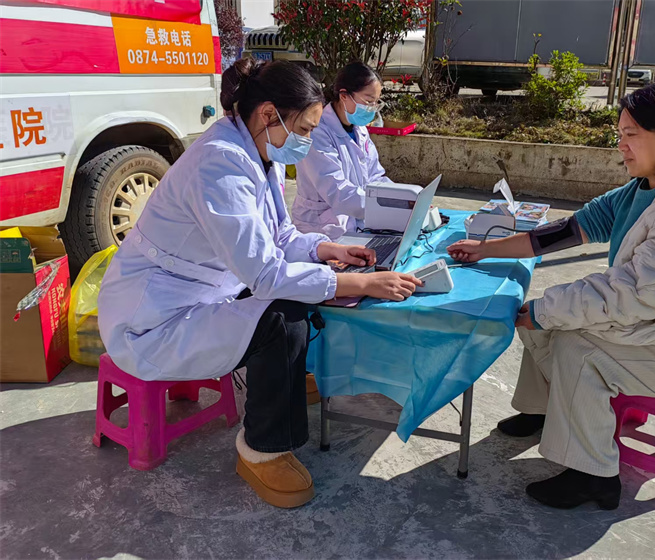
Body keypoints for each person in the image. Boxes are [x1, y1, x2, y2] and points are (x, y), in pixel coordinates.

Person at [98, 59, 422, 509]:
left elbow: (280, 235)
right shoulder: (219, 164)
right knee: (281, 319)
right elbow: (265, 274)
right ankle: (262, 450)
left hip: (201, 289)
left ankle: (286, 383)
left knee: (297, 298)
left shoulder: (256, 150)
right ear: (269, 114)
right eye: (304, 130)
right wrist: (356, 284)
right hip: (152, 319)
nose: (306, 141)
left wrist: (325, 250)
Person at [447, 83, 655, 510]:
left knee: (575, 345)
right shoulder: (642, 189)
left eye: (631, 134)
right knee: (542, 320)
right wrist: (486, 249)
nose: (621, 144)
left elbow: (635, 295)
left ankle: (594, 475)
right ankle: (543, 410)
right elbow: (565, 232)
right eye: (619, 134)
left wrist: (545, 311)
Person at [292, 61, 392, 240]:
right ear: (344, 95)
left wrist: (402, 198)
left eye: (376, 102)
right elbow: (336, 190)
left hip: (353, 222)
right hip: (320, 227)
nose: (372, 108)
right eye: (368, 101)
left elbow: (375, 176)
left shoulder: (359, 129)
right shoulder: (317, 131)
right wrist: (384, 207)